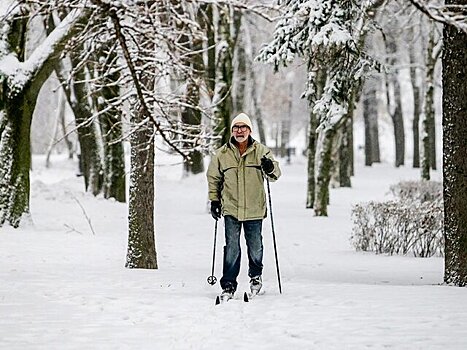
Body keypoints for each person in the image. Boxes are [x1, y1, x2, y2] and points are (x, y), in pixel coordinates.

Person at [206, 112, 281, 300]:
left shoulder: (261, 151)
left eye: (243, 127)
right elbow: (213, 179)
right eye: (236, 128)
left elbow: (276, 174)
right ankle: (229, 285)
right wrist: (214, 201)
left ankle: (255, 277)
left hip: (254, 208)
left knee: (255, 246)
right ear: (232, 131)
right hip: (231, 207)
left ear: (249, 130)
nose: (240, 131)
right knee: (232, 247)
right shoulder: (222, 154)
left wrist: (270, 167)